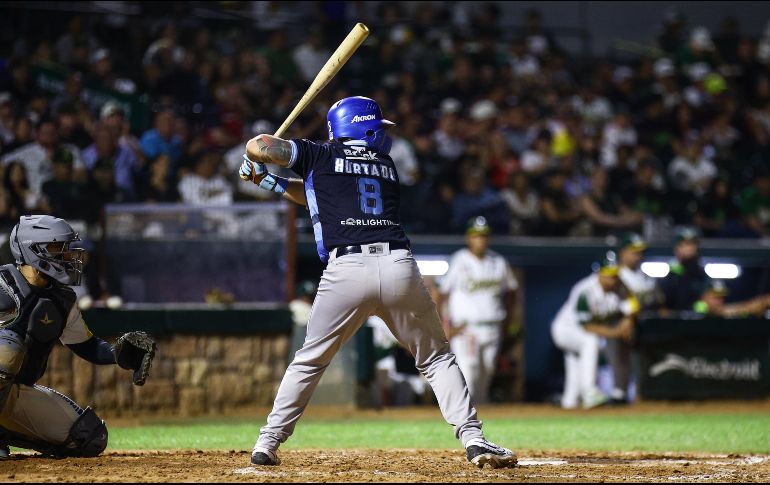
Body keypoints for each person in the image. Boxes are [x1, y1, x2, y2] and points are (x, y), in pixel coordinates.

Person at [239, 96, 516, 469]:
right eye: (377, 127)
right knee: (436, 358)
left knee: (309, 361)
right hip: (398, 266)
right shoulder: (385, 165)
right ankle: (474, 439)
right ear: (362, 127)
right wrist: (268, 179)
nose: (382, 134)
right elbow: (320, 194)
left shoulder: (319, 154)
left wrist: (259, 165)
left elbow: (259, 145)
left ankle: (267, 442)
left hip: (346, 270)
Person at [0, 215, 156, 459]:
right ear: (33, 249)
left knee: (89, 437)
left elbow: (86, 345)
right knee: (8, 348)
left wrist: (117, 353)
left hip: (13, 393)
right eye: (57, 248)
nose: (67, 255)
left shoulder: (61, 299)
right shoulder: (2, 283)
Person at [437, 216, 518, 404]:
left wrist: (509, 321)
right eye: (476, 235)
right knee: (469, 373)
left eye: (484, 235)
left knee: (486, 374)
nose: (480, 240)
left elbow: (512, 291)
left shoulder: (498, 262)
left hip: (492, 327)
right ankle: (464, 416)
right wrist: (442, 325)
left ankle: (478, 414)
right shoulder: (459, 260)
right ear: (468, 238)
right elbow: (439, 293)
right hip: (466, 328)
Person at [550, 253, 639, 409]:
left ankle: (570, 402)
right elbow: (587, 326)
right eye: (609, 275)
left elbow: (633, 306)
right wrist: (617, 332)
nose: (613, 279)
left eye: (615, 274)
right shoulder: (585, 290)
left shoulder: (621, 287)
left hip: (585, 331)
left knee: (572, 392)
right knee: (590, 341)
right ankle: (590, 392)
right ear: (599, 274)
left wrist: (628, 321)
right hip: (566, 330)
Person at [609, 233, 659, 405]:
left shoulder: (644, 276)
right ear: (622, 252)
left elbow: (655, 300)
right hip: (614, 324)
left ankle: (636, 394)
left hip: (639, 325)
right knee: (619, 359)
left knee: (638, 361)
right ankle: (617, 393)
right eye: (634, 252)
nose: (638, 256)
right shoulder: (615, 274)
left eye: (640, 252)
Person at [658, 228, 709, 313]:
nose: (688, 248)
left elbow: (708, 300)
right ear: (676, 249)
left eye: (691, 244)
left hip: (697, 318)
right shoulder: (671, 275)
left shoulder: (702, 275)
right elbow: (663, 302)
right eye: (683, 245)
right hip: (674, 318)